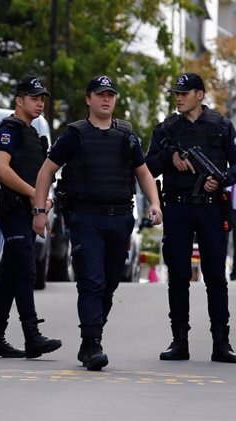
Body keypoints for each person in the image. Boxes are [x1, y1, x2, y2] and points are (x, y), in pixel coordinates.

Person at [32, 75, 162, 371]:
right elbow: (46, 171)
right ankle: (92, 343)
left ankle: (92, 337)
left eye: (111, 95)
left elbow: (143, 173)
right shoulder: (74, 135)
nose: (106, 100)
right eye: (100, 94)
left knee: (109, 283)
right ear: (88, 99)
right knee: (91, 281)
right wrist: (40, 211)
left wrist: (154, 203)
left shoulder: (126, 135)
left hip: (120, 218)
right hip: (86, 217)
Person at [146, 72, 236, 364]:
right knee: (178, 275)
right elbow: (148, 167)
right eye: (176, 93)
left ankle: (221, 343)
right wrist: (169, 157)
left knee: (215, 276)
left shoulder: (221, 126)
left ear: (199, 95)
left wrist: (222, 180)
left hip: (210, 207)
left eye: (184, 92)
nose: (178, 97)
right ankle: (179, 341)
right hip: (177, 207)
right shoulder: (167, 129)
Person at [0, 75, 62, 359]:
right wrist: (32, 194)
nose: (40, 104)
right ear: (19, 100)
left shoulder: (35, 136)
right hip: (13, 209)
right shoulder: (8, 130)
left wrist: (44, 201)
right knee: (26, 269)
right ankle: (32, 336)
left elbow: (42, 175)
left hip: (29, 211)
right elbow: (1, 169)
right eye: (34, 98)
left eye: (42, 99)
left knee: (10, 275)